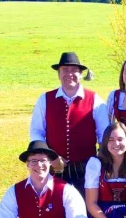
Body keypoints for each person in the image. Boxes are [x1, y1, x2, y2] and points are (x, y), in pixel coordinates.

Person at [30, 52, 108, 194]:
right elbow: (36, 132)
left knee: (85, 211)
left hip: (86, 170)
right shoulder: (44, 99)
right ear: (58, 74)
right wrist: (50, 158)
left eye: (74, 70)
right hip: (54, 169)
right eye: (65, 70)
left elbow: (105, 135)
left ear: (80, 74)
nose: (69, 74)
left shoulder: (95, 100)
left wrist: (99, 164)